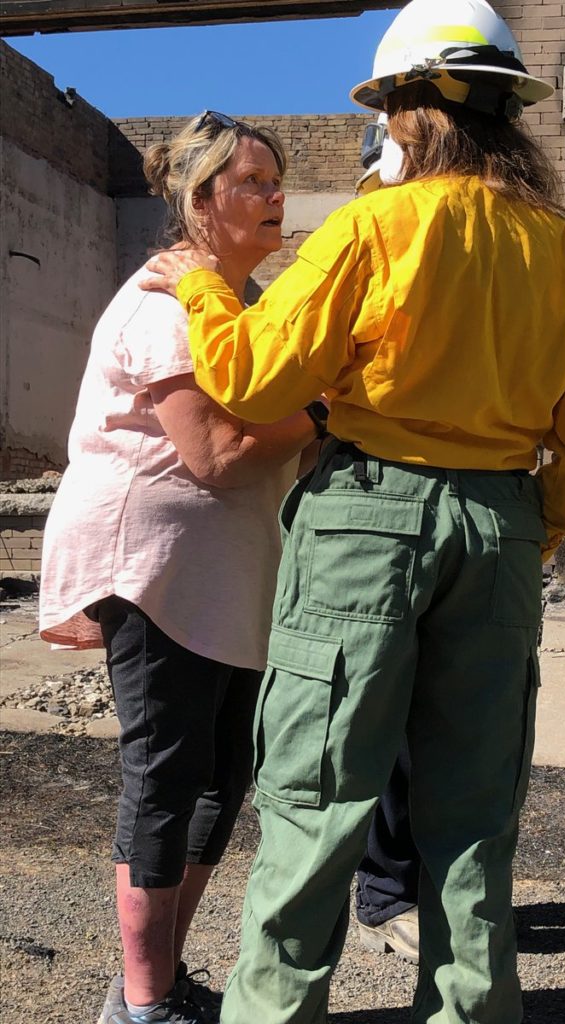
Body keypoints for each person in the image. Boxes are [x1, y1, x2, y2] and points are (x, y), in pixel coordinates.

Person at [143, 2, 565, 1020]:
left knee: (320, 794)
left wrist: (199, 291)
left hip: (369, 520)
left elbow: (253, 374)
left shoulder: (372, 227)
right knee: (472, 810)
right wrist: (524, 529)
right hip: (499, 527)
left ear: (412, 112)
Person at [39, 112, 327, 1024]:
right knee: (165, 773)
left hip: (225, 568)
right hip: (157, 565)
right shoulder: (166, 304)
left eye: (277, 180)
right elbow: (214, 454)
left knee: (220, 774)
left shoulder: (234, 306)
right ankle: (142, 1002)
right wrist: (325, 412)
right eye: (254, 183)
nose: (277, 196)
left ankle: (149, 981)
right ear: (201, 201)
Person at [351, 110, 422, 965]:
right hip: (367, 505)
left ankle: (406, 885)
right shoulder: (358, 239)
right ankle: (386, 887)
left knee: (434, 720)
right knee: (377, 716)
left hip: (435, 504)